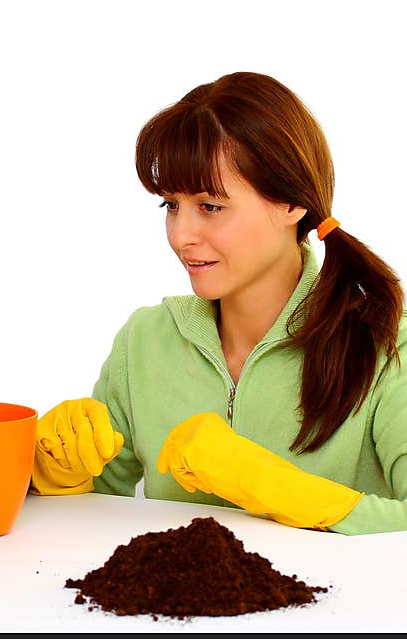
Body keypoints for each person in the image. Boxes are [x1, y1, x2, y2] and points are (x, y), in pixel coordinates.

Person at [31, 71, 407, 535]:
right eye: (170, 204)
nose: (181, 236)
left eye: (210, 206)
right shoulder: (145, 342)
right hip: (170, 607)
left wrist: (263, 481)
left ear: (291, 204)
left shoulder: (387, 341)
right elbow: (97, 518)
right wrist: (57, 473)